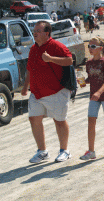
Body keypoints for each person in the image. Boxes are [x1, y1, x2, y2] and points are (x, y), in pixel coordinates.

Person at [21, 21, 73, 163]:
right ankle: (42, 151)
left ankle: (65, 151)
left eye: (38, 30)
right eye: (34, 30)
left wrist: (50, 59)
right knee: (34, 119)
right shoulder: (33, 49)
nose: (34, 32)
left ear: (47, 33)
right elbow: (29, 69)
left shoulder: (55, 45)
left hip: (56, 91)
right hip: (37, 93)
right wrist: (26, 87)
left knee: (59, 121)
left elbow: (69, 60)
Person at [80, 37, 104, 160]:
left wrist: (99, 92)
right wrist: (82, 81)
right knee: (91, 121)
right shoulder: (89, 63)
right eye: (89, 46)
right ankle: (91, 151)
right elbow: (91, 78)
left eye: (93, 46)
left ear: (100, 48)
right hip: (94, 97)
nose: (90, 49)